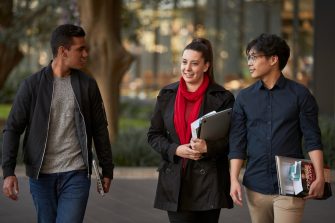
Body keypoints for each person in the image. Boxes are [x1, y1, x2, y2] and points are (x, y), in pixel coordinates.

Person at [2, 24, 114, 223]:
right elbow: (12, 129)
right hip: (41, 176)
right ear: (63, 51)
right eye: (80, 49)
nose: (86, 54)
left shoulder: (88, 85)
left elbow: (99, 129)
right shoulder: (32, 85)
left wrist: (107, 169)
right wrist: (8, 172)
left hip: (76, 174)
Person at [229, 33, 324, 223]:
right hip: (255, 184)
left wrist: (319, 176)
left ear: (273, 59)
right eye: (249, 57)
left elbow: (312, 138)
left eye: (254, 57)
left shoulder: (300, 94)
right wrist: (233, 179)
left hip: (292, 182)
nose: (249, 62)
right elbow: (237, 142)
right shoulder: (244, 98)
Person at [147, 38, 234, 223]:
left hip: (209, 181)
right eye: (184, 62)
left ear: (206, 66)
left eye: (194, 63)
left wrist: (208, 147)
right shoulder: (167, 95)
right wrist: (175, 149)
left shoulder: (222, 97)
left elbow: (233, 140)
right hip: (176, 180)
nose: (187, 68)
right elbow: (154, 135)